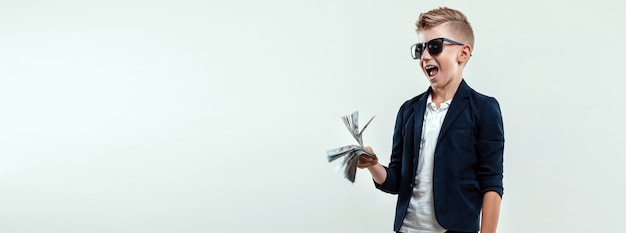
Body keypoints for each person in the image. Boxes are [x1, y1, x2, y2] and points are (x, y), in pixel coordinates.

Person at [357, 7, 504, 233]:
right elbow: (396, 181)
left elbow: (491, 184)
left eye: (435, 46)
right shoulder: (408, 111)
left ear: (463, 53)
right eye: (420, 49)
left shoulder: (484, 109)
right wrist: (373, 165)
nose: (425, 56)